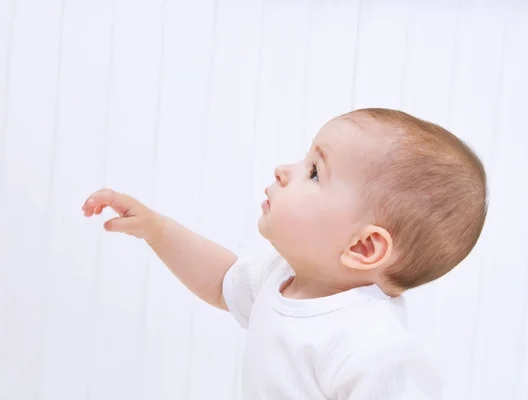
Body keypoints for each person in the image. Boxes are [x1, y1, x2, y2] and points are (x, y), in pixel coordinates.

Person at [82, 108, 487, 399]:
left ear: (363, 247)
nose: (283, 169)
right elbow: (223, 284)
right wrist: (159, 230)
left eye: (314, 172)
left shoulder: (369, 344)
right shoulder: (284, 277)